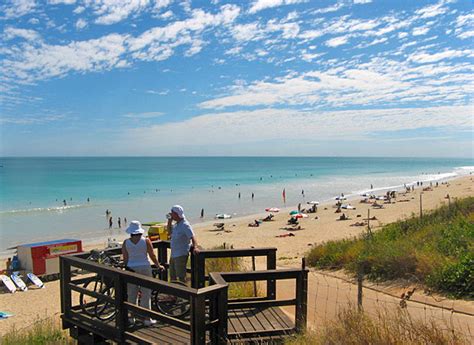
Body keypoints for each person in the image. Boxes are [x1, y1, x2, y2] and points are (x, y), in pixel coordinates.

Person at [122, 221, 163, 326]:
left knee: (132, 293)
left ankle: (132, 317)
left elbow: (125, 259)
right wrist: (158, 265)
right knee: (146, 293)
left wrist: (127, 268)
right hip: (145, 267)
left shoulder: (126, 242)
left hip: (131, 268)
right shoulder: (146, 241)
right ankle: (147, 318)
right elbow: (152, 255)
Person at [167, 205, 199, 283]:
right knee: (172, 277)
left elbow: (192, 236)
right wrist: (169, 221)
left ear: (176, 214)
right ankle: (174, 294)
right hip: (174, 254)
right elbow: (169, 232)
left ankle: (183, 294)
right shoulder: (177, 224)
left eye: (172, 213)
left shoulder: (185, 225)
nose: (171, 214)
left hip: (181, 254)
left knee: (181, 277)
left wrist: (195, 247)